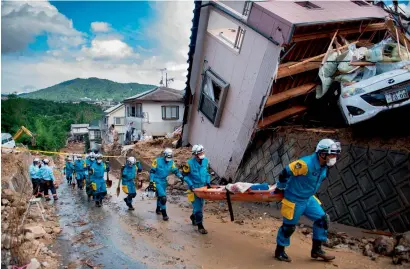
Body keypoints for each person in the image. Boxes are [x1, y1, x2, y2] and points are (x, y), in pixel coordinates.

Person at [274, 139, 341, 262]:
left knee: (323, 219)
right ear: (322, 153)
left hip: (308, 199)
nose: (334, 157)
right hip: (294, 199)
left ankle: (316, 250)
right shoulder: (305, 164)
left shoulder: (324, 166)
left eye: (335, 154)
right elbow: (285, 172)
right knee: (288, 227)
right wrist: (280, 186)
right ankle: (279, 251)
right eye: (332, 154)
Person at [182, 145, 211, 234]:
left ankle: (193, 217)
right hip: (194, 189)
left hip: (203, 187)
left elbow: (207, 173)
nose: (202, 154)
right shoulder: (189, 164)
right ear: (195, 155)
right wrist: (190, 185)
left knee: (201, 205)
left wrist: (208, 182)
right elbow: (185, 176)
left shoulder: (206, 161)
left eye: (202, 152)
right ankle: (200, 226)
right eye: (200, 153)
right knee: (198, 208)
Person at [149, 148, 184, 221]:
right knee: (163, 197)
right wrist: (151, 181)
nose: (168, 159)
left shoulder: (171, 162)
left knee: (160, 196)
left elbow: (175, 170)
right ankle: (164, 214)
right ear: (164, 155)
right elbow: (152, 171)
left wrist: (180, 176)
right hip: (156, 180)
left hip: (163, 181)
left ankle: (158, 209)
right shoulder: (157, 161)